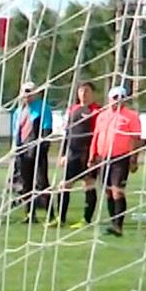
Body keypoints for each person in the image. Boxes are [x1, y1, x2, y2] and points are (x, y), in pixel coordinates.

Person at [92, 86, 143, 237]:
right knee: (108, 192)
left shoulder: (131, 116)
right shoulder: (102, 116)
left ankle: (118, 226)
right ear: (109, 99)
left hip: (121, 158)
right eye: (115, 97)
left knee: (117, 192)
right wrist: (92, 155)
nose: (117, 100)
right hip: (103, 158)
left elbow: (136, 138)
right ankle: (113, 223)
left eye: (121, 97)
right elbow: (96, 135)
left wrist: (134, 159)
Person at [54, 83, 100, 228]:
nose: (84, 93)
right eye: (81, 90)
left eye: (87, 91)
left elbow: (98, 133)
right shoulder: (73, 109)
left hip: (88, 153)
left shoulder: (96, 110)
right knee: (64, 185)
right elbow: (67, 133)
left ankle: (86, 219)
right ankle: (60, 218)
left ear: (93, 93)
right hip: (73, 153)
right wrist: (63, 154)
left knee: (88, 184)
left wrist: (96, 153)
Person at [11, 81, 53, 223]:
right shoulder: (18, 111)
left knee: (42, 183)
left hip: (37, 151)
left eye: (29, 92)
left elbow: (47, 129)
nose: (27, 96)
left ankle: (51, 214)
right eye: (25, 92)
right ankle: (30, 214)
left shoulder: (42, 108)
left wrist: (42, 148)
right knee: (26, 184)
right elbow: (16, 132)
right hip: (23, 152)